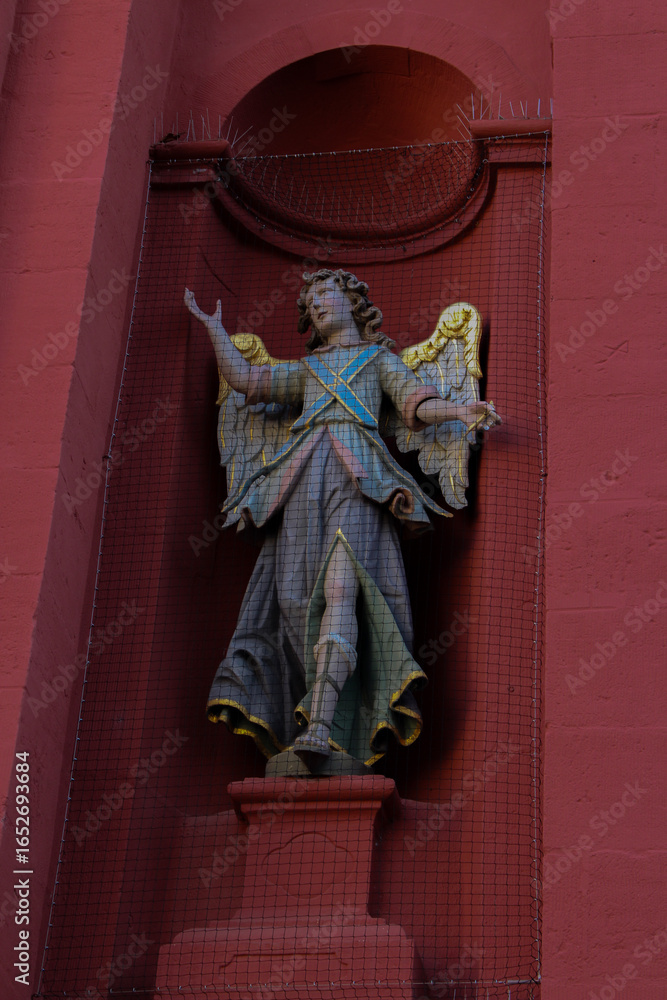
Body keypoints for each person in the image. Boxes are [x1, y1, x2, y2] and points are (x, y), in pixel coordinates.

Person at [184, 269, 498, 766]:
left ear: (352, 302)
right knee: (292, 600)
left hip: (359, 481)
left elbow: (418, 404)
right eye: (308, 303)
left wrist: (459, 413)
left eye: (323, 296)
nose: (315, 307)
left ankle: (323, 724)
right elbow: (246, 380)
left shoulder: (379, 362)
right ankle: (301, 715)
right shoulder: (306, 371)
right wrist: (214, 329)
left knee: (341, 591)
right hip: (299, 483)